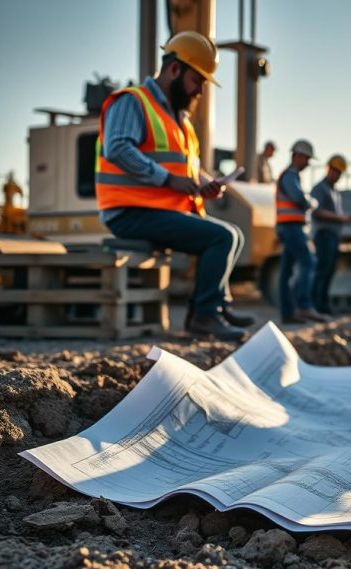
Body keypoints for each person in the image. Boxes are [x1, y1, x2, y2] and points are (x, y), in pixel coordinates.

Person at [95, 31, 254, 341]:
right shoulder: (133, 101)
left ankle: (216, 307)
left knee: (232, 234)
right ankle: (204, 318)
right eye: (198, 81)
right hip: (128, 211)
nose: (200, 91)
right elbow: (118, 148)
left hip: (155, 210)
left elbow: (188, 167)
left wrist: (206, 183)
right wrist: (167, 179)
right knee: (220, 237)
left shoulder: (179, 121)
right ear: (174, 70)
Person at [276, 139, 328, 324]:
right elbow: (299, 198)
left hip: (287, 226)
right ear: (297, 156)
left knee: (286, 271)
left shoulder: (290, 176)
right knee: (309, 261)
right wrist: (312, 203)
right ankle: (304, 306)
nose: (307, 163)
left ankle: (288, 313)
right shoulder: (290, 176)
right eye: (306, 159)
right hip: (291, 227)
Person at [310, 155, 351, 315]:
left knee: (328, 271)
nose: (337, 175)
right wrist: (340, 218)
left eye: (340, 173)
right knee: (322, 270)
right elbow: (316, 211)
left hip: (333, 236)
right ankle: (315, 305)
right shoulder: (319, 188)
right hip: (323, 234)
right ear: (328, 169)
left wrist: (343, 219)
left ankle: (323, 305)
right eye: (335, 171)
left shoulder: (334, 191)